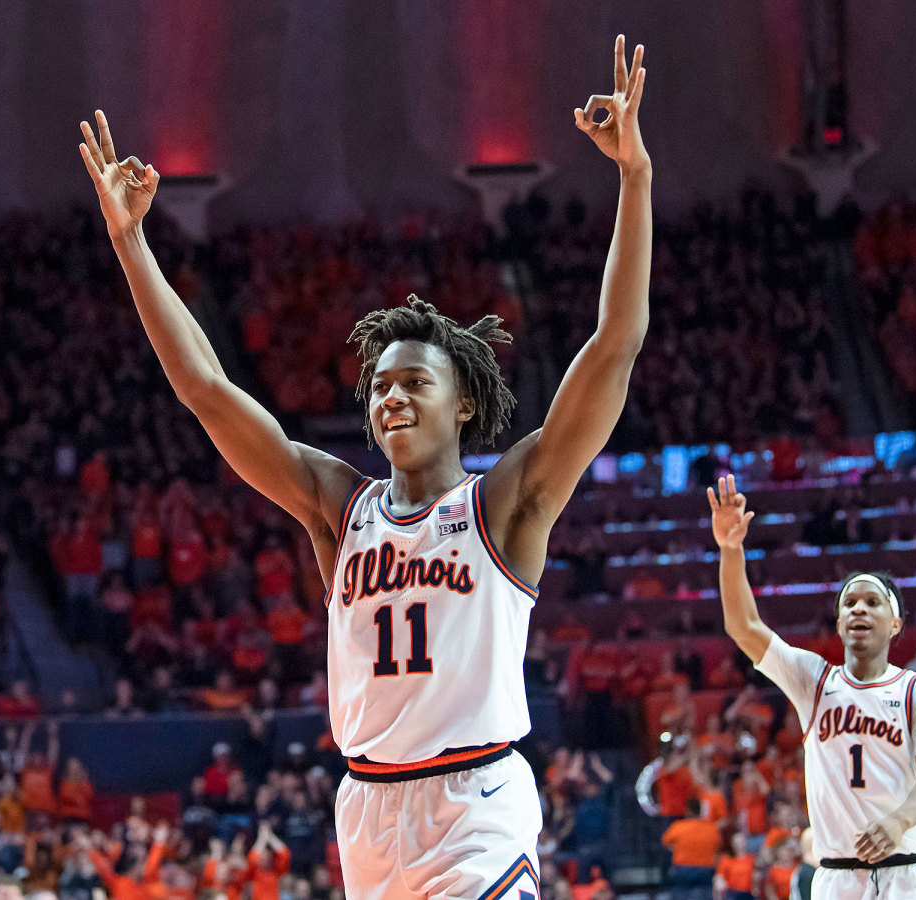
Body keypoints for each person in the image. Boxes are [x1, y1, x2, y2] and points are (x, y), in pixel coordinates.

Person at [79, 33, 652, 900]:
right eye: (379, 385)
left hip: (476, 802)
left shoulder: (505, 504)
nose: (389, 397)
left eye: (414, 382)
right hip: (368, 814)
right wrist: (131, 242)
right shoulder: (338, 508)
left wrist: (634, 179)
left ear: (462, 403)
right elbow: (204, 388)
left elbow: (614, 348)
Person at [708, 475, 916, 900]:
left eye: (872, 602)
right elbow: (743, 627)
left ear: (895, 624)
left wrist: (899, 821)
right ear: (839, 625)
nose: (859, 608)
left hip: (907, 874)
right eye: (849, 603)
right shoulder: (814, 680)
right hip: (836, 878)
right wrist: (731, 549)